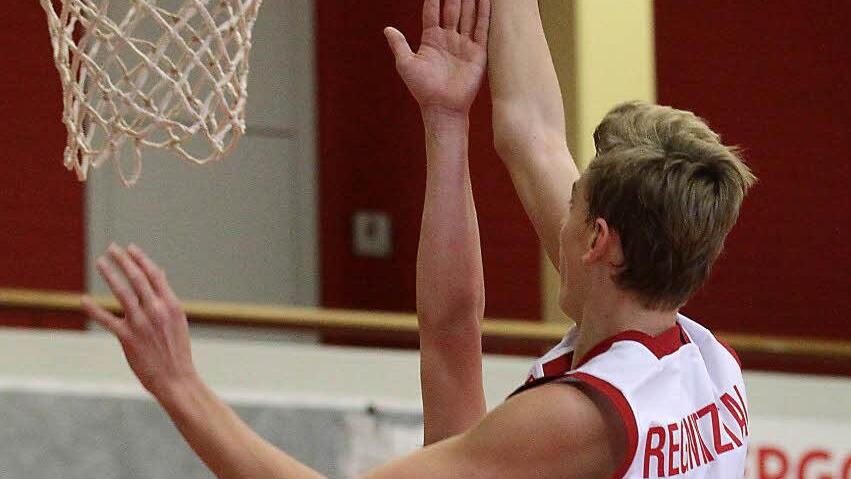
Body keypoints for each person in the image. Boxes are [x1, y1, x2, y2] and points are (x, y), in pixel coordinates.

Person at [82, 0, 756, 478]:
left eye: (574, 203)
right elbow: (531, 137)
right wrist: (446, 118)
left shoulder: (578, 421)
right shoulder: (698, 359)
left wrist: (180, 386)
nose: (561, 207)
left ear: (597, 241)